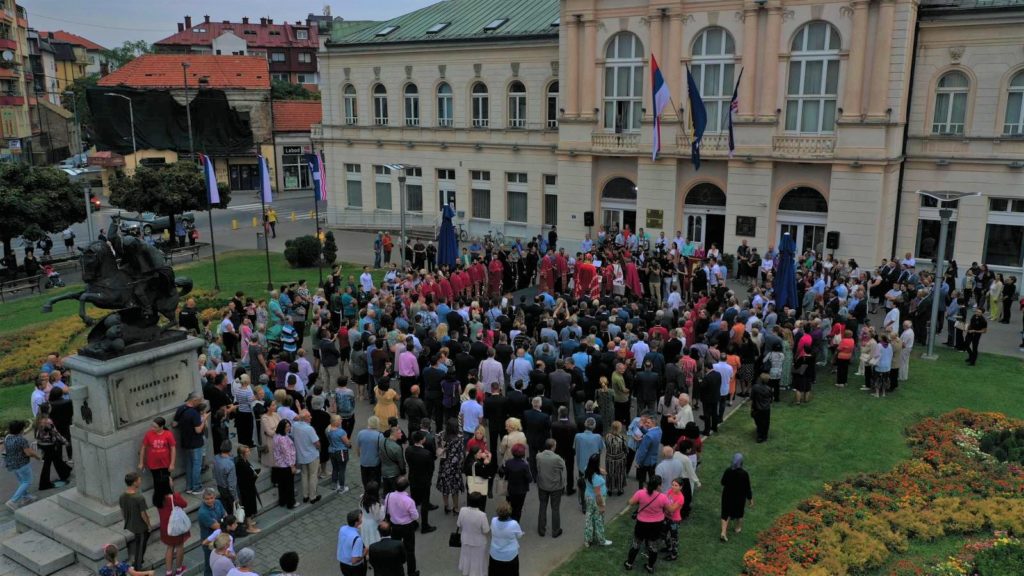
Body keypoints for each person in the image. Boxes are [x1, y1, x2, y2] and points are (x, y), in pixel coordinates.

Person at [624, 475, 677, 573]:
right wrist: (678, 503)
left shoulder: (640, 493)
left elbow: (630, 502)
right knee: (653, 546)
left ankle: (629, 564)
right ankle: (650, 567)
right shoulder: (663, 497)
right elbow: (670, 510)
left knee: (636, 544)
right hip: (656, 525)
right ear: (658, 486)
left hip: (641, 524)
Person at [382, 477, 421, 576]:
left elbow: (386, 510)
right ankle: (411, 572)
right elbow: (415, 516)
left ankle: (396, 569)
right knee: (410, 550)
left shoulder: (389, 496)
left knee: (395, 548)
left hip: (394, 526)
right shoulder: (408, 501)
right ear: (406, 487)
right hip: (407, 527)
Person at [174, 392, 209, 495]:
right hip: (195, 443)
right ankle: (196, 487)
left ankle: (189, 487)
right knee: (196, 466)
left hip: (185, 442)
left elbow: (174, 423)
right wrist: (204, 419)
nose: (201, 402)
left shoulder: (181, 409)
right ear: (194, 401)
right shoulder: (194, 413)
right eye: (200, 400)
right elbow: (198, 430)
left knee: (189, 465)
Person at [404, 430, 438, 533]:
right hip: (424, 481)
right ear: (423, 440)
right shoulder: (427, 454)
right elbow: (431, 469)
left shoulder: (408, 450)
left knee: (413, 501)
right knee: (424, 503)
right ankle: (425, 525)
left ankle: (413, 522)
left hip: (413, 478)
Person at [4, 419, 40, 510]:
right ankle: (12, 501)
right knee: (27, 481)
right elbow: (28, 453)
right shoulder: (21, 440)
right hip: (22, 464)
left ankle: (26, 497)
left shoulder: (7, 437)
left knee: (21, 481)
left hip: (12, 464)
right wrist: (37, 456)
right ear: (21, 429)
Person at [34, 405, 71, 490]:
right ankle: (44, 483)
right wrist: (65, 441)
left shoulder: (38, 419)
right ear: (48, 410)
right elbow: (55, 433)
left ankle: (65, 472)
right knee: (48, 463)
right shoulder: (47, 421)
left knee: (56, 459)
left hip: (42, 444)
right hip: (49, 445)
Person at [535, 438, 566, 538]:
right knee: (555, 509)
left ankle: (541, 530)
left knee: (542, 506)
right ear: (553, 446)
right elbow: (563, 467)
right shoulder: (557, 458)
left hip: (542, 485)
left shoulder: (538, 456)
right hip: (555, 487)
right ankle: (555, 530)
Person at [119, 472, 150, 570]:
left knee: (140, 542)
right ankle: (137, 566)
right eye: (139, 480)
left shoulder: (122, 496)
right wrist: (148, 525)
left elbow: (122, 511)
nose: (140, 481)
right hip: (140, 527)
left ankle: (138, 561)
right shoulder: (139, 498)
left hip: (131, 524)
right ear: (134, 483)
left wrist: (127, 520)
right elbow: (143, 514)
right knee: (140, 547)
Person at [158, 479, 189, 576]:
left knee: (169, 547)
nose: (173, 482)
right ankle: (179, 570)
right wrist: (174, 492)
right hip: (175, 526)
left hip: (165, 526)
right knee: (179, 546)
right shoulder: (174, 497)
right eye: (170, 481)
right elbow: (184, 504)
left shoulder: (157, 496)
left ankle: (169, 572)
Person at [720, 452, 754, 542]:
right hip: (739, 496)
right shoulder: (744, 474)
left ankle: (723, 532)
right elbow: (747, 487)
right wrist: (750, 499)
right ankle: (737, 528)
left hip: (727, 495)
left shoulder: (728, 470)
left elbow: (723, 482)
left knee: (725, 513)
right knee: (739, 513)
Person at [292, 410, 322, 504]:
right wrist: (319, 449)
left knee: (304, 475)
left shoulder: (295, 425)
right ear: (305, 418)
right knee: (313, 475)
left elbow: (293, 436)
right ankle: (313, 497)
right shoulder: (309, 429)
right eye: (309, 416)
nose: (311, 417)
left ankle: (305, 496)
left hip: (301, 455)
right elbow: (316, 443)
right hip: (312, 455)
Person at [457, 492, 491, 576]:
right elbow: (486, 530)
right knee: (478, 562)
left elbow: (458, 524)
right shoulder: (482, 515)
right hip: (479, 543)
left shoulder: (462, 510)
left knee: (467, 559)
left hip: (465, 540)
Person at [582, 453, 612, 548]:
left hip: (588, 497)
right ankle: (601, 540)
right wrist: (601, 506)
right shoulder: (597, 479)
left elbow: (604, 472)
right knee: (599, 520)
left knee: (589, 517)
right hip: (596, 500)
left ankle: (588, 540)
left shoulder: (587, 469)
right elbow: (598, 495)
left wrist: (598, 469)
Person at [438, 417, 466, 514]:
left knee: (445, 487)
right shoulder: (459, 437)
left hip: (444, 464)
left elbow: (439, 448)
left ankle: (446, 506)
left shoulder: (442, 435)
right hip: (455, 466)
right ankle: (456, 507)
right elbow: (461, 453)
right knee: (455, 488)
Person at [489, 501, 524, 576]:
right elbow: (519, 535)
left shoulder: (493, 520)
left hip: (495, 555)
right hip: (510, 556)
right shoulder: (513, 524)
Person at [501, 443, 533, 522]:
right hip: (521, 491)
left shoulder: (508, 462)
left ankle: (507, 521)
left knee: (509, 506)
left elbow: (505, 474)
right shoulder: (525, 465)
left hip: (509, 488)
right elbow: (530, 479)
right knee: (518, 509)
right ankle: (515, 525)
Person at [198, 488, 226, 576]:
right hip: (209, 541)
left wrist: (221, 521)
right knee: (210, 565)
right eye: (207, 499)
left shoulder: (218, 502)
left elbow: (225, 515)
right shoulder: (203, 513)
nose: (210, 500)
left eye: (211, 498)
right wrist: (222, 522)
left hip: (220, 537)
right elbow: (217, 526)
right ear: (203, 499)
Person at [272, 419, 298, 510]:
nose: (289, 428)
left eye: (289, 426)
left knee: (282, 485)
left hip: (279, 465)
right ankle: (291, 503)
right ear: (282, 427)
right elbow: (286, 453)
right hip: (286, 466)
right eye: (287, 426)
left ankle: (282, 501)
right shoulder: (283, 439)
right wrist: (292, 466)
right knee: (289, 486)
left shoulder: (276, 436)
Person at [234, 445, 260, 528]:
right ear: (242, 454)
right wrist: (254, 475)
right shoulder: (240, 464)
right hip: (246, 488)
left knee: (251, 504)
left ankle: (249, 522)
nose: (249, 453)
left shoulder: (245, 461)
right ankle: (249, 526)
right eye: (247, 452)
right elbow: (245, 476)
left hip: (249, 486)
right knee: (248, 506)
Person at [337, 509, 368, 576]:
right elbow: (354, 560)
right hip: (355, 568)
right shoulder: (357, 539)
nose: (362, 519)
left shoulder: (342, 528)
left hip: (343, 564)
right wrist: (365, 553)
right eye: (361, 518)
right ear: (357, 522)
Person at [662, 478, 686, 561]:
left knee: (674, 538)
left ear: (681, 487)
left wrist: (664, 505)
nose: (673, 487)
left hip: (674, 521)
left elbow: (672, 509)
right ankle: (668, 548)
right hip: (666, 517)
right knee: (663, 534)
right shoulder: (670, 491)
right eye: (672, 484)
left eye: (676, 485)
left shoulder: (680, 498)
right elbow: (664, 500)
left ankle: (674, 555)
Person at [356, 416, 383, 489]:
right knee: (375, 482)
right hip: (375, 463)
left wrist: (360, 455)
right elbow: (381, 451)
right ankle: (374, 495)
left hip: (364, 462)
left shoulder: (360, 433)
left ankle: (366, 493)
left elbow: (358, 448)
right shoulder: (379, 435)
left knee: (365, 480)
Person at [328, 414, 352, 493]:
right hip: (341, 452)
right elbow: (347, 443)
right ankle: (342, 487)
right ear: (336, 422)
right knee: (342, 469)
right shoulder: (341, 432)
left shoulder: (328, 430)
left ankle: (334, 485)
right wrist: (349, 445)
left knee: (335, 468)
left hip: (332, 451)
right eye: (340, 420)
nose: (341, 421)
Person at [604, 420, 628, 497]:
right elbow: (626, 449)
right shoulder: (622, 438)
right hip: (620, 459)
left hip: (609, 459)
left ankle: (610, 489)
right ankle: (619, 489)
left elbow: (606, 446)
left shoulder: (607, 436)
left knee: (610, 473)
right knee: (620, 474)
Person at [213, 440, 238, 513]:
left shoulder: (216, 458)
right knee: (233, 510)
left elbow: (214, 473)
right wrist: (235, 497)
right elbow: (231, 484)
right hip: (228, 490)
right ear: (230, 449)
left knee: (226, 506)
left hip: (220, 486)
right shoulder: (230, 464)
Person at [359, 482, 385, 551]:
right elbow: (378, 518)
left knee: (366, 538)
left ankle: (367, 552)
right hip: (373, 524)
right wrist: (382, 508)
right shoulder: (375, 505)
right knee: (374, 538)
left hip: (364, 521)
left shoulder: (362, 498)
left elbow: (360, 509)